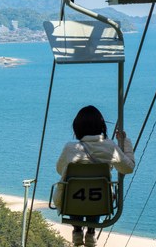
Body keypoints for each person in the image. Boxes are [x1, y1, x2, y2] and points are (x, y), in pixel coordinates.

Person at [53, 105, 135, 247]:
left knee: (74, 188)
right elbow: (128, 168)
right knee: (97, 191)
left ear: (77, 127)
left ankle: (77, 229)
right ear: (102, 126)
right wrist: (124, 143)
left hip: (72, 202)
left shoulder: (69, 148)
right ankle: (91, 231)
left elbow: (60, 170)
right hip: (100, 201)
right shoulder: (110, 147)